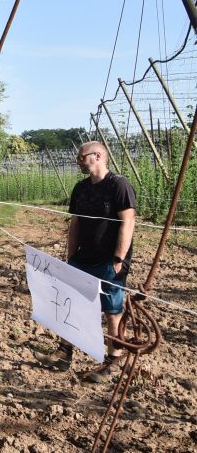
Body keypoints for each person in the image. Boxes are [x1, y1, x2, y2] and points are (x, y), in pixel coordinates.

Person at [35, 141, 136, 380]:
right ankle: (64, 353)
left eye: (82, 157)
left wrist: (119, 258)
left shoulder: (118, 185)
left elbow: (128, 222)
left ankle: (110, 363)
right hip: (83, 258)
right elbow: (75, 224)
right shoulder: (80, 188)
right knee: (70, 303)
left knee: (112, 312)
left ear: (98, 156)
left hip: (109, 261)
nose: (78, 161)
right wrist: (71, 257)